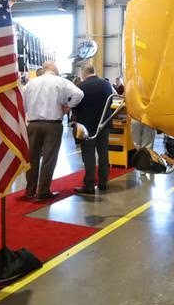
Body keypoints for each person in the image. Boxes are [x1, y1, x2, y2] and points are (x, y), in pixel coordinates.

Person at [23, 60, 84, 200]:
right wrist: (68, 106)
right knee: (49, 159)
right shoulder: (60, 81)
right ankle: (43, 191)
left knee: (31, 159)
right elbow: (79, 94)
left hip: (32, 124)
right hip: (53, 124)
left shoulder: (30, 83)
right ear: (54, 70)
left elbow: (22, 104)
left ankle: (29, 191)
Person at [73, 64, 114, 195]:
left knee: (89, 156)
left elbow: (75, 107)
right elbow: (111, 101)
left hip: (87, 127)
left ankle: (89, 185)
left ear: (83, 73)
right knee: (103, 154)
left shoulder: (80, 87)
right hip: (104, 124)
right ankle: (103, 182)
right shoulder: (107, 84)